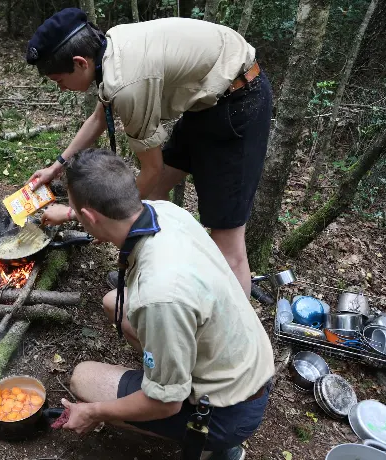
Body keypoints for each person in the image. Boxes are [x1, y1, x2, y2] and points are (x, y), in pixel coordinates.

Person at [24, 8, 273, 297]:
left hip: (240, 103)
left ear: (80, 63)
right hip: (207, 102)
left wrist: (75, 214)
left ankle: (231, 337)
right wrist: (57, 166)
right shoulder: (110, 48)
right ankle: (157, 275)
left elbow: (149, 172)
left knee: (228, 246)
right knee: (154, 195)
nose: (62, 88)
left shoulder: (128, 85)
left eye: (59, 81)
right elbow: (98, 118)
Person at [49, 149, 274, 460]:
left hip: (229, 411)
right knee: (113, 301)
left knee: (83, 377)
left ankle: (218, 447)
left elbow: (166, 404)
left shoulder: (160, 296)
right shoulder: (164, 212)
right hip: (247, 362)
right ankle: (168, 376)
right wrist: (73, 211)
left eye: (77, 212)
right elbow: (105, 215)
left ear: (91, 217)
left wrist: (93, 412)